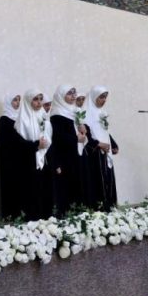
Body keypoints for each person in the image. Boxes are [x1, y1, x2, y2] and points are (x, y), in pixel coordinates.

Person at [14, 89, 52, 220]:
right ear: (29, 101)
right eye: (36, 99)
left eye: (41, 99)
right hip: (28, 162)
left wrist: (44, 145)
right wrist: (36, 145)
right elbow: (19, 145)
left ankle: (45, 221)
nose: (39, 103)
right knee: (31, 193)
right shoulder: (21, 120)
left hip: (44, 160)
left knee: (44, 191)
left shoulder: (43, 117)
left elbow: (49, 137)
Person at [49, 85, 88, 217]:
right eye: (69, 93)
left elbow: (76, 131)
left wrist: (82, 129)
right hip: (63, 156)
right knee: (65, 187)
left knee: (76, 184)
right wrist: (76, 138)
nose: (73, 96)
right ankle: (65, 216)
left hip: (74, 154)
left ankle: (77, 213)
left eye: (74, 93)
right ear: (61, 96)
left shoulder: (73, 112)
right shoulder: (56, 115)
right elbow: (58, 137)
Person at [0, 93, 32, 219]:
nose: (17, 102)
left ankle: (23, 215)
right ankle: (11, 215)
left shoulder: (22, 118)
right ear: (8, 102)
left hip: (22, 159)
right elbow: (0, 139)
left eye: (18, 100)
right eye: (14, 100)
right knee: (11, 187)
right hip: (10, 161)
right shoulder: (4, 120)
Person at [83, 86, 119, 211]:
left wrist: (113, 145)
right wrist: (99, 144)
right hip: (95, 153)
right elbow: (86, 135)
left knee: (108, 178)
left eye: (105, 97)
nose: (104, 100)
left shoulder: (101, 113)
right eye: (101, 97)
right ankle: (99, 210)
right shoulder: (85, 114)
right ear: (93, 97)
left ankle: (110, 206)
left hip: (106, 151)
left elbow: (105, 132)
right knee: (98, 182)